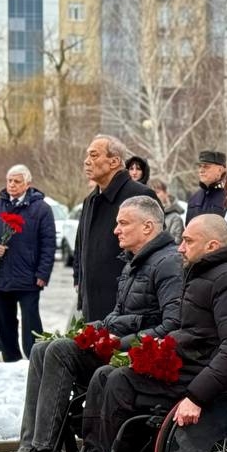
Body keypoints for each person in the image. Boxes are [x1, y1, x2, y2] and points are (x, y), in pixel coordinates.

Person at [51, 214, 227, 452]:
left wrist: (197, 397)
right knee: (104, 375)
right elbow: (194, 333)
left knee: (119, 382)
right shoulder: (207, 272)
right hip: (190, 364)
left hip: (205, 377)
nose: (180, 248)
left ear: (212, 245)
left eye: (188, 241)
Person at [0, 196, 182, 452]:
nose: (116, 230)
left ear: (148, 227)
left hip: (140, 359)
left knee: (61, 351)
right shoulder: (133, 263)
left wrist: (119, 341)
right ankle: (29, 450)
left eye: (123, 223)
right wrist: (92, 329)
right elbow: (119, 315)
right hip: (122, 347)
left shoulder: (168, 264)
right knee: (41, 349)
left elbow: (171, 325)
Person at [0, 165, 57, 362]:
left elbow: (48, 244)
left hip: (29, 277)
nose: (12, 184)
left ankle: (35, 359)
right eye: (9, 180)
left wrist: (43, 274)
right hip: (1, 275)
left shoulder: (41, 209)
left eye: (17, 181)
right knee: (4, 322)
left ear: (27, 184)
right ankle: (11, 360)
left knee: (31, 321)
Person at [75, 135, 156, 324]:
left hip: (128, 308)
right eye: (87, 156)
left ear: (114, 161)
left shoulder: (140, 195)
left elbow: (154, 254)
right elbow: (82, 249)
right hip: (92, 305)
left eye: (94, 156)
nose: (87, 162)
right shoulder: (91, 199)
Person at [185, 150, 227, 222]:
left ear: (220, 170)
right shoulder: (194, 199)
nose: (201, 170)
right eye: (200, 166)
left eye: (206, 166)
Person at [148, 178, 184, 243]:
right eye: (151, 193)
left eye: (157, 192)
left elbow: (175, 245)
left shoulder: (175, 218)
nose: (154, 196)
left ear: (165, 193)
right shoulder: (144, 216)